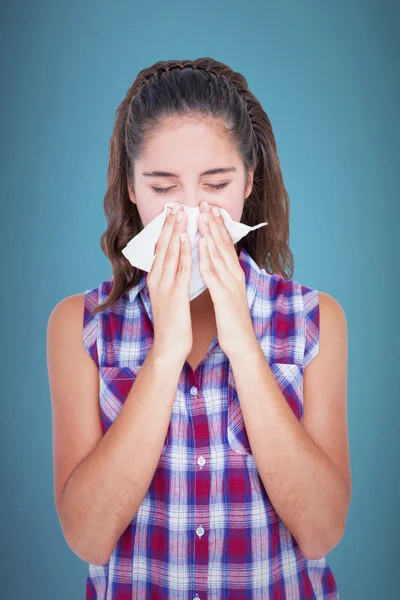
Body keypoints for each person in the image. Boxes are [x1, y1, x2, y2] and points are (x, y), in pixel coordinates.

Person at [47, 57, 351, 599]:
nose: (190, 210)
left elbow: (323, 530)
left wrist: (240, 339)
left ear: (249, 183)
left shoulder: (314, 320)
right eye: (163, 188)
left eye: (215, 183)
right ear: (132, 188)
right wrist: (166, 351)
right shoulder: (81, 327)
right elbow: (88, 537)